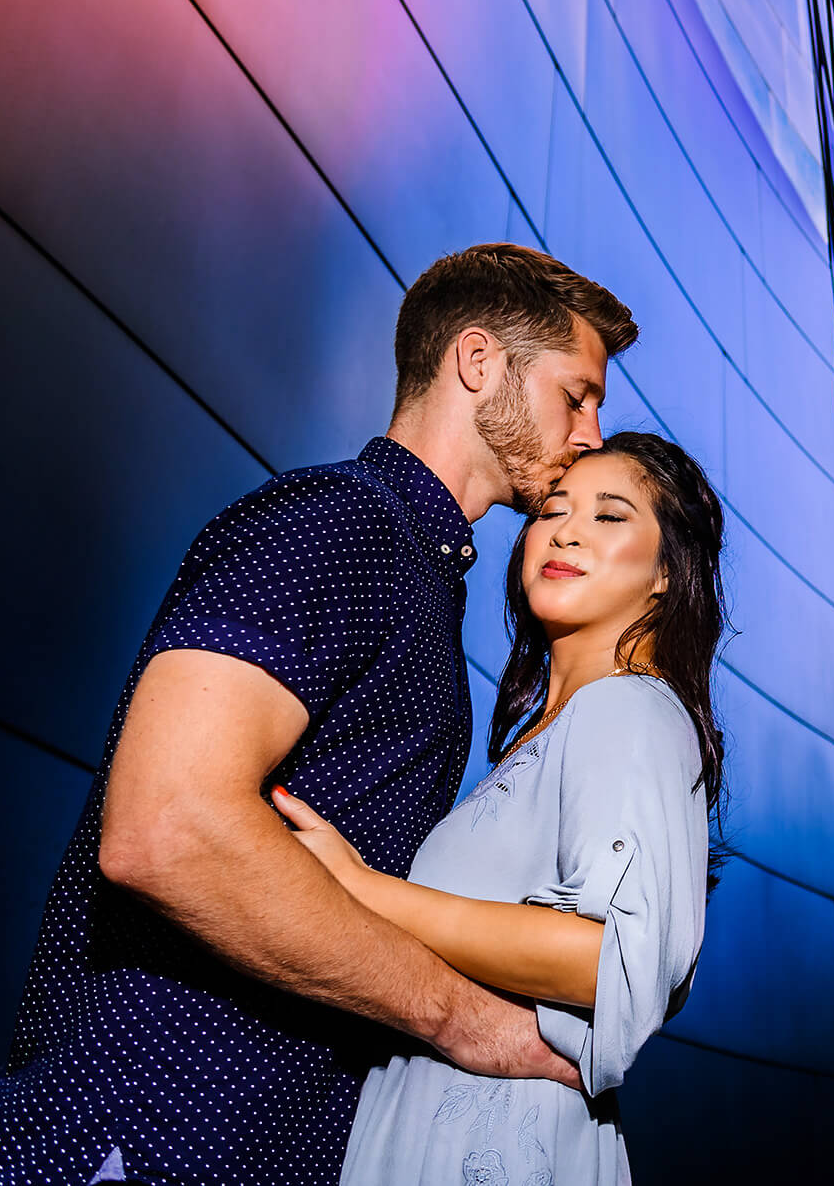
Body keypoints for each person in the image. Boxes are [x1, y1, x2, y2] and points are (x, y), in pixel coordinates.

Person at [0, 244, 638, 1186]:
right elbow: (168, 828)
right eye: (577, 395)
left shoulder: (419, 577)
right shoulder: (341, 522)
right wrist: (465, 1020)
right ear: (478, 362)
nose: (591, 431)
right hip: (149, 1134)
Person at [274, 432, 727, 1185]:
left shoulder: (630, 710)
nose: (567, 529)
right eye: (553, 509)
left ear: (665, 576)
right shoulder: (546, 737)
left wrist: (361, 890)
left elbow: (611, 960)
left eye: (611, 517)